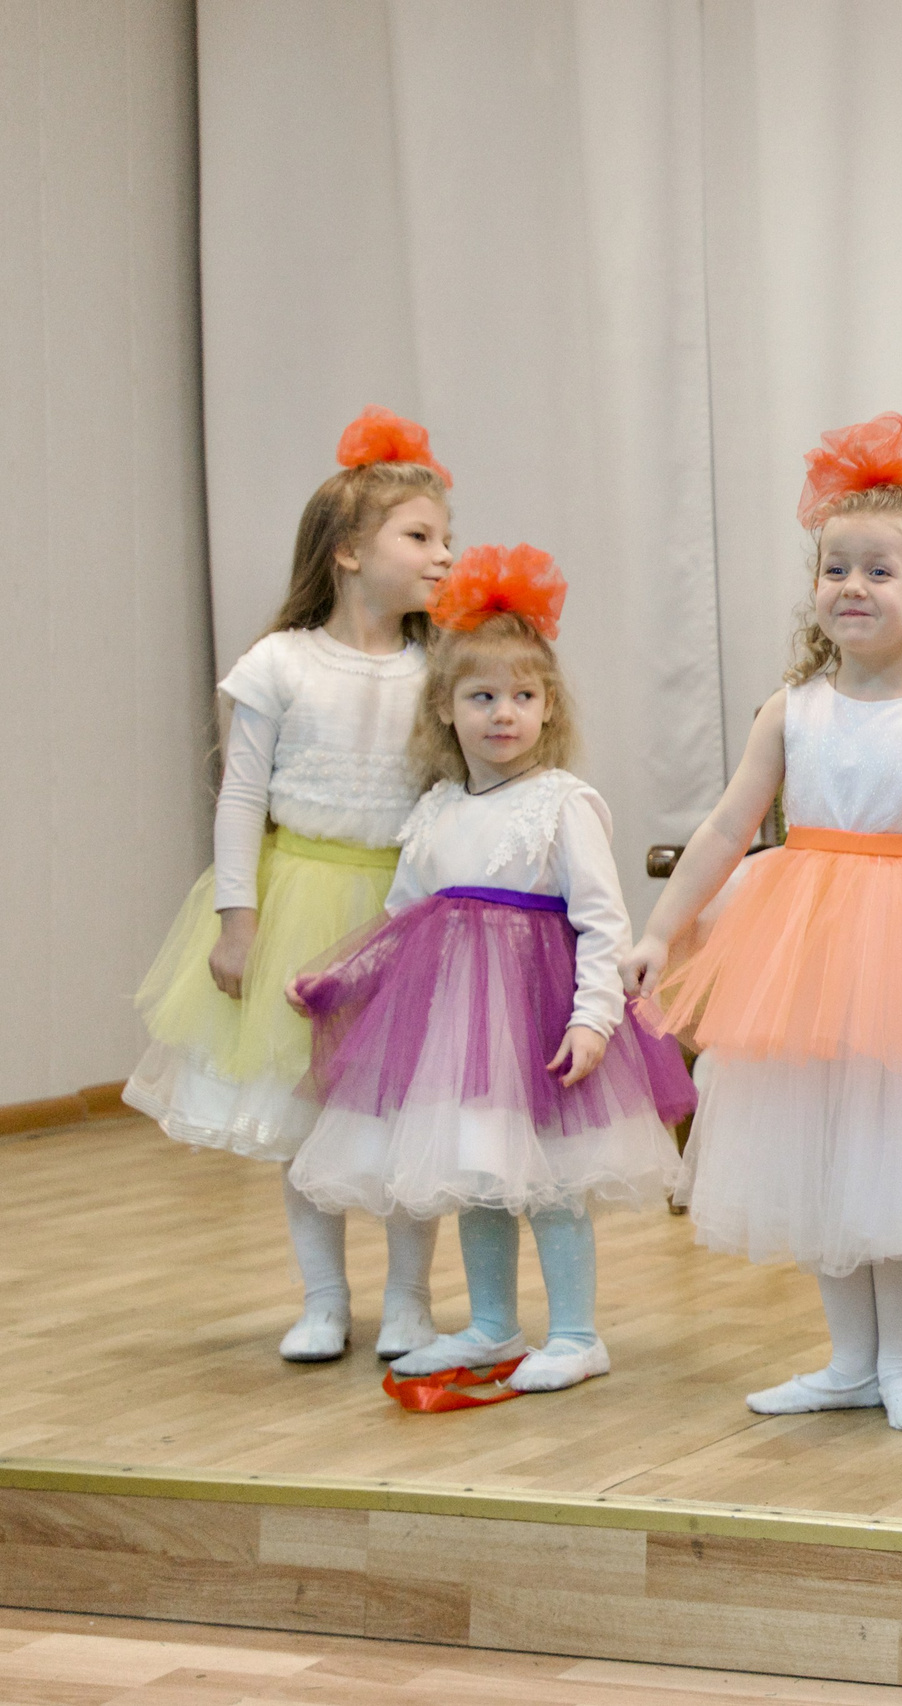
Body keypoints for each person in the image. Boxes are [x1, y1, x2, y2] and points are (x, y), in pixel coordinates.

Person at [626, 413, 902, 1432]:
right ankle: (846, 1359)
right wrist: (658, 930)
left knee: (895, 1150)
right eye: (835, 568)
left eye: (878, 570)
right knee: (820, 1149)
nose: (853, 586)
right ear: (815, 588)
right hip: (803, 947)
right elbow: (730, 825)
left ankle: (900, 1361)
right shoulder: (791, 708)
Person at [289, 545, 692, 1394]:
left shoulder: (563, 803)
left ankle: (577, 1334)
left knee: (549, 1183)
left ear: (548, 709)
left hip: (539, 1029)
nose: (502, 714)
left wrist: (593, 1019)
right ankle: (491, 1326)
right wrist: (342, 984)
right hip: (457, 1038)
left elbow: (601, 921)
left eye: (522, 697)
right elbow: (403, 923)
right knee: (478, 1180)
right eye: (482, 697)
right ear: (446, 709)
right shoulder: (435, 811)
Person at [126, 408, 453, 1362]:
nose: (442, 557)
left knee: (398, 1122)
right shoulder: (279, 664)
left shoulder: (438, 668)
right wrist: (238, 920)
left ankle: (408, 1303)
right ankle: (320, 1299)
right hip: (300, 900)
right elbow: (240, 797)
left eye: (446, 541)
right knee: (300, 1121)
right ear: (350, 551)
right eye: (419, 536)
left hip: (399, 912)